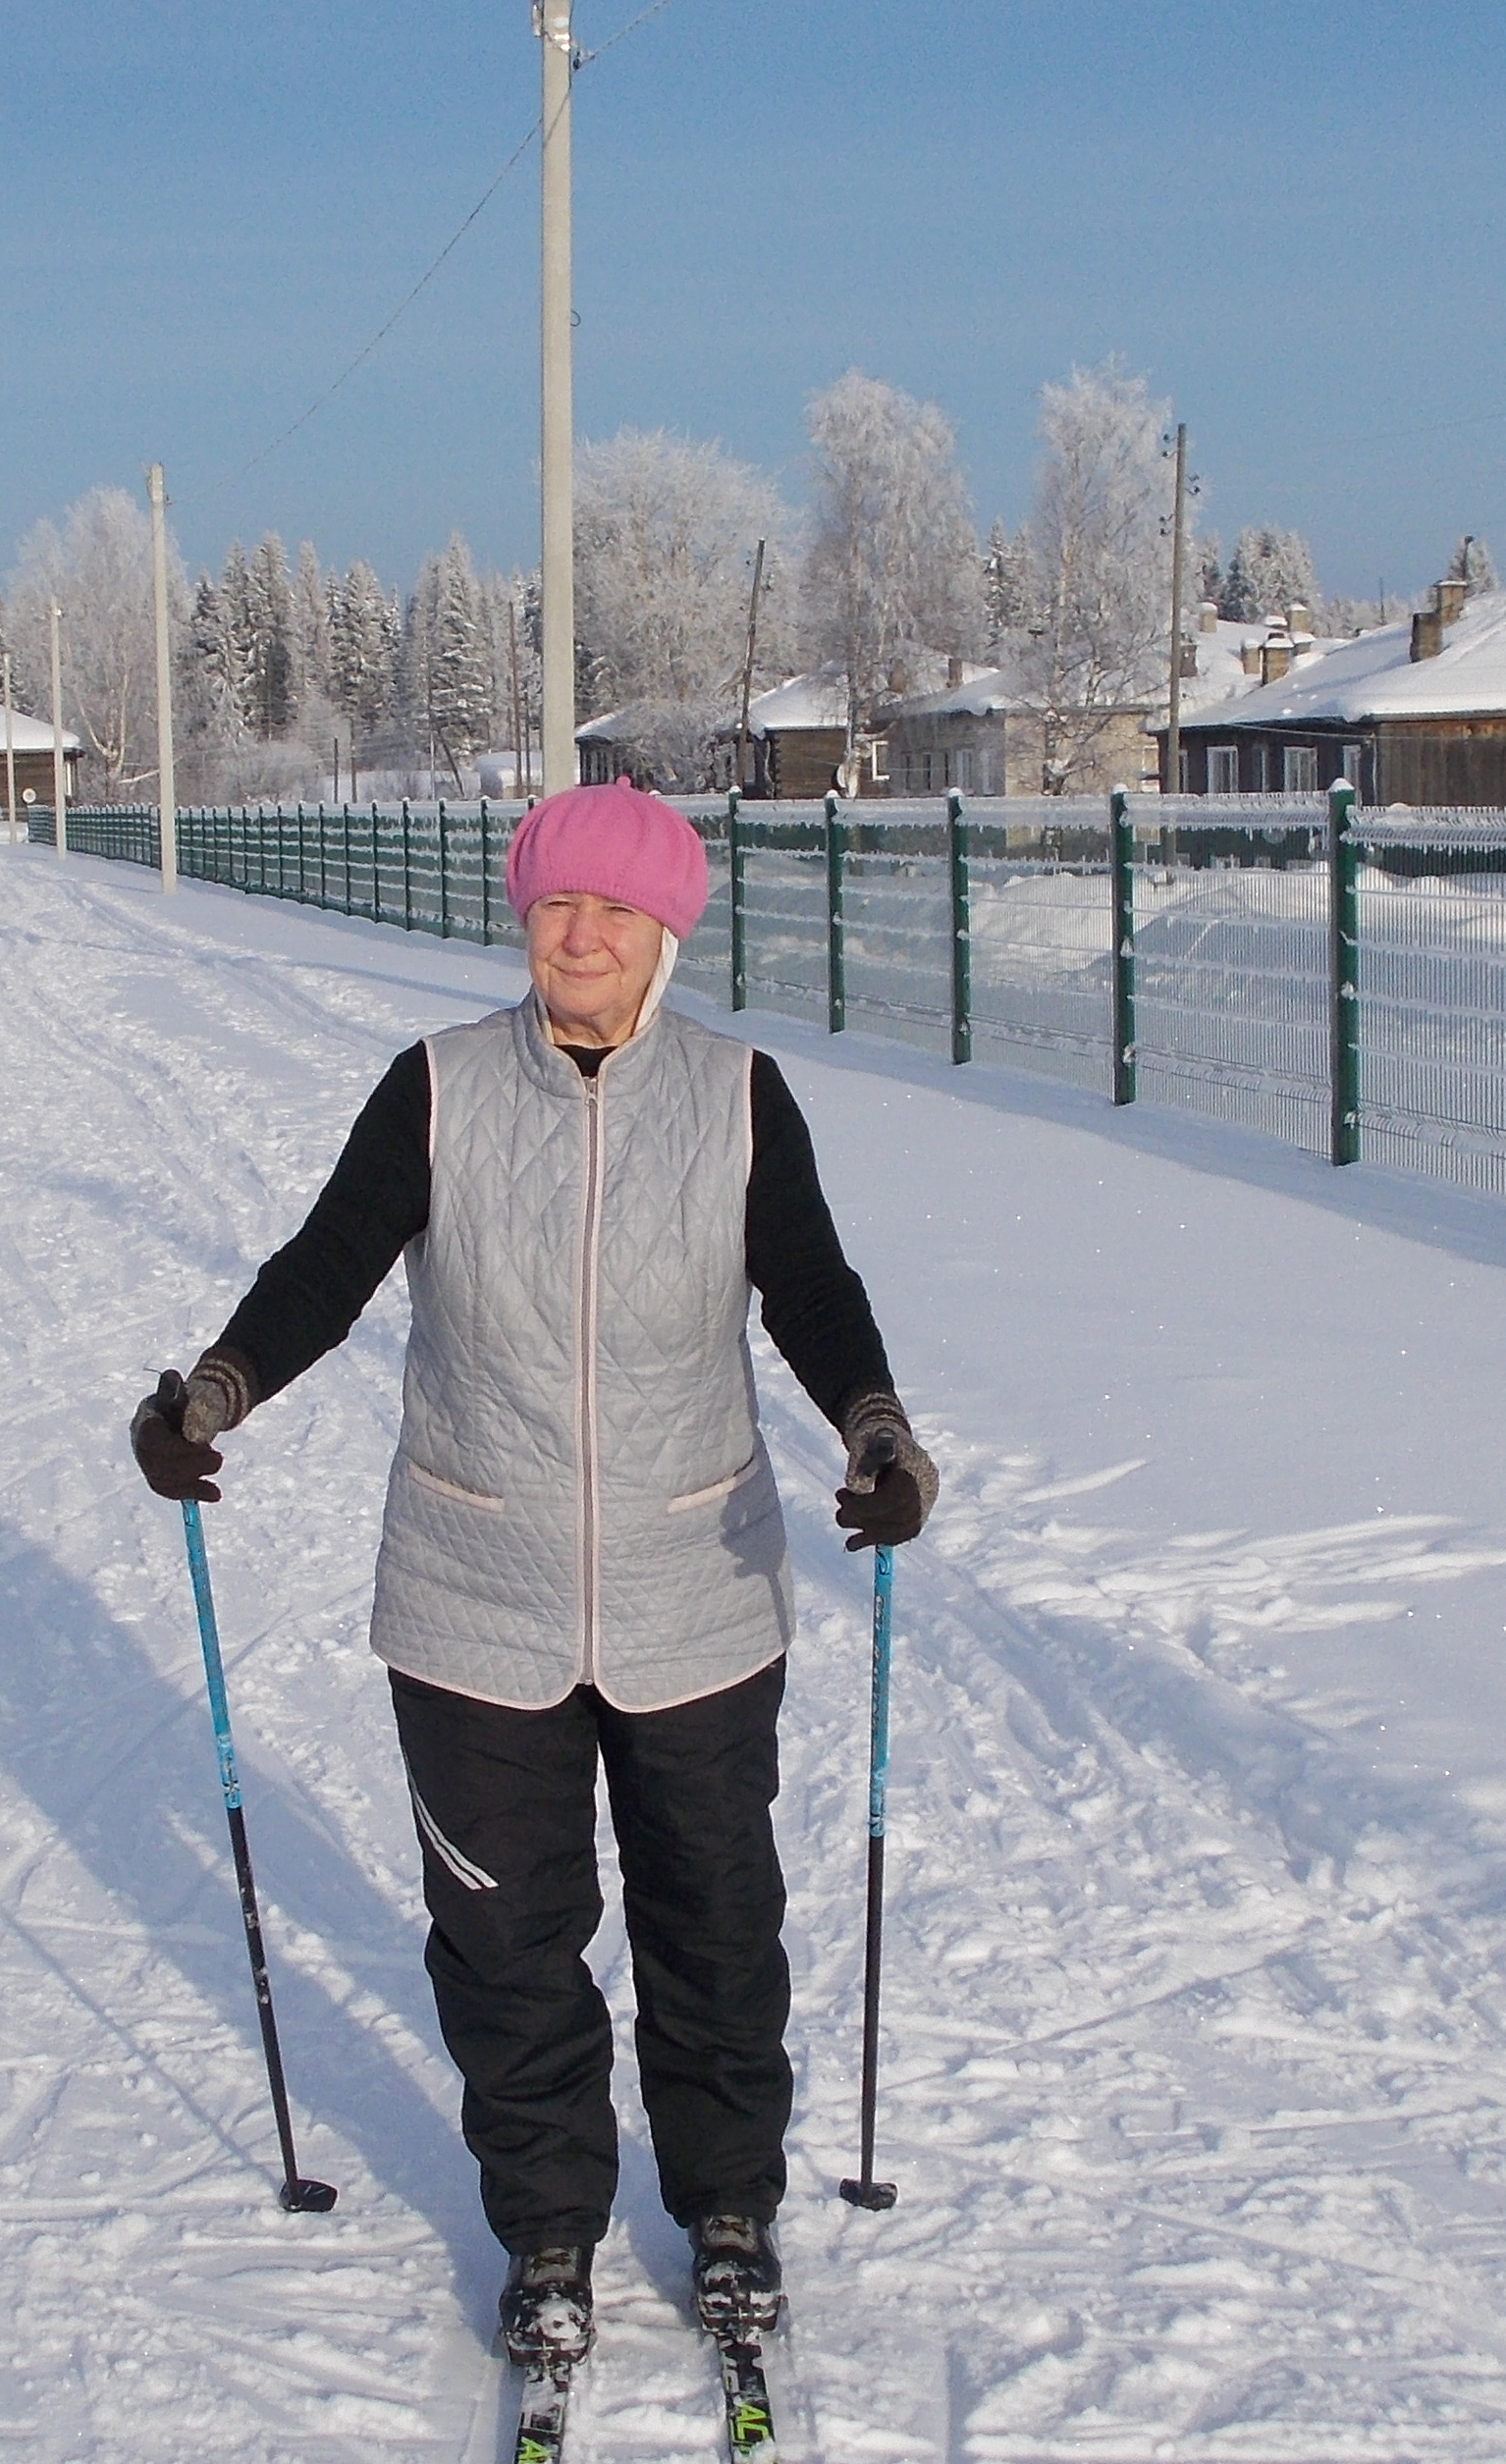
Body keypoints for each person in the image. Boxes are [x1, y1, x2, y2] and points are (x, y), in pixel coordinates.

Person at [131, 780, 937, 2373]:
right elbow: (322, 1268)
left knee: (713, 1918)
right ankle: (550, 2226)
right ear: (524, 916)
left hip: (691, 1581)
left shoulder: (738, 1097)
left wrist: (880, 1435)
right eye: (557, 904)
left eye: (614, 913)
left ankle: (723, 2208)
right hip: (470, 1578)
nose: (579, 934)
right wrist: (207, 1391)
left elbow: (811, 1291)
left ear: (664, 935)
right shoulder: (433, 1091)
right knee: (505, 1936)